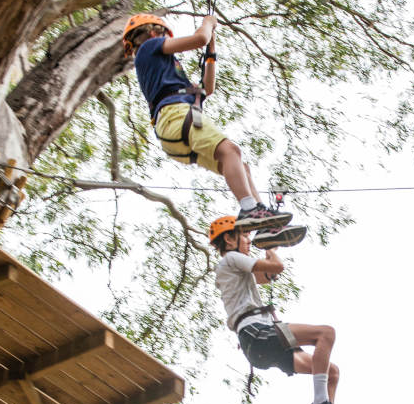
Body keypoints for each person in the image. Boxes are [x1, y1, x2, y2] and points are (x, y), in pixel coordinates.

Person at [123, 13, 305, 249]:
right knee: (231, 151)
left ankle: (265, 226)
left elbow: (208, 87)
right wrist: (209, 22)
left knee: (241, 166)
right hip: (176, 117)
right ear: (152, 32)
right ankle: (250, 209)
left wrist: (212, 45)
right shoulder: (149, 47)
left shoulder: (162, 69)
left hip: (176, 129)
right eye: (161, 33)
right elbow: (199, 38)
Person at [209, 215, 356, 404]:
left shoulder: (232, 268)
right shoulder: (230, 259)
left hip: (260, 347)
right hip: (258, 333)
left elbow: (266, 275)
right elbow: (276, 268)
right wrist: (270, 246)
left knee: (331, 371)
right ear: (229, 239)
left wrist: (271, 246)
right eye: (244, 236)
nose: (247, 241)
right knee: (325, 334)